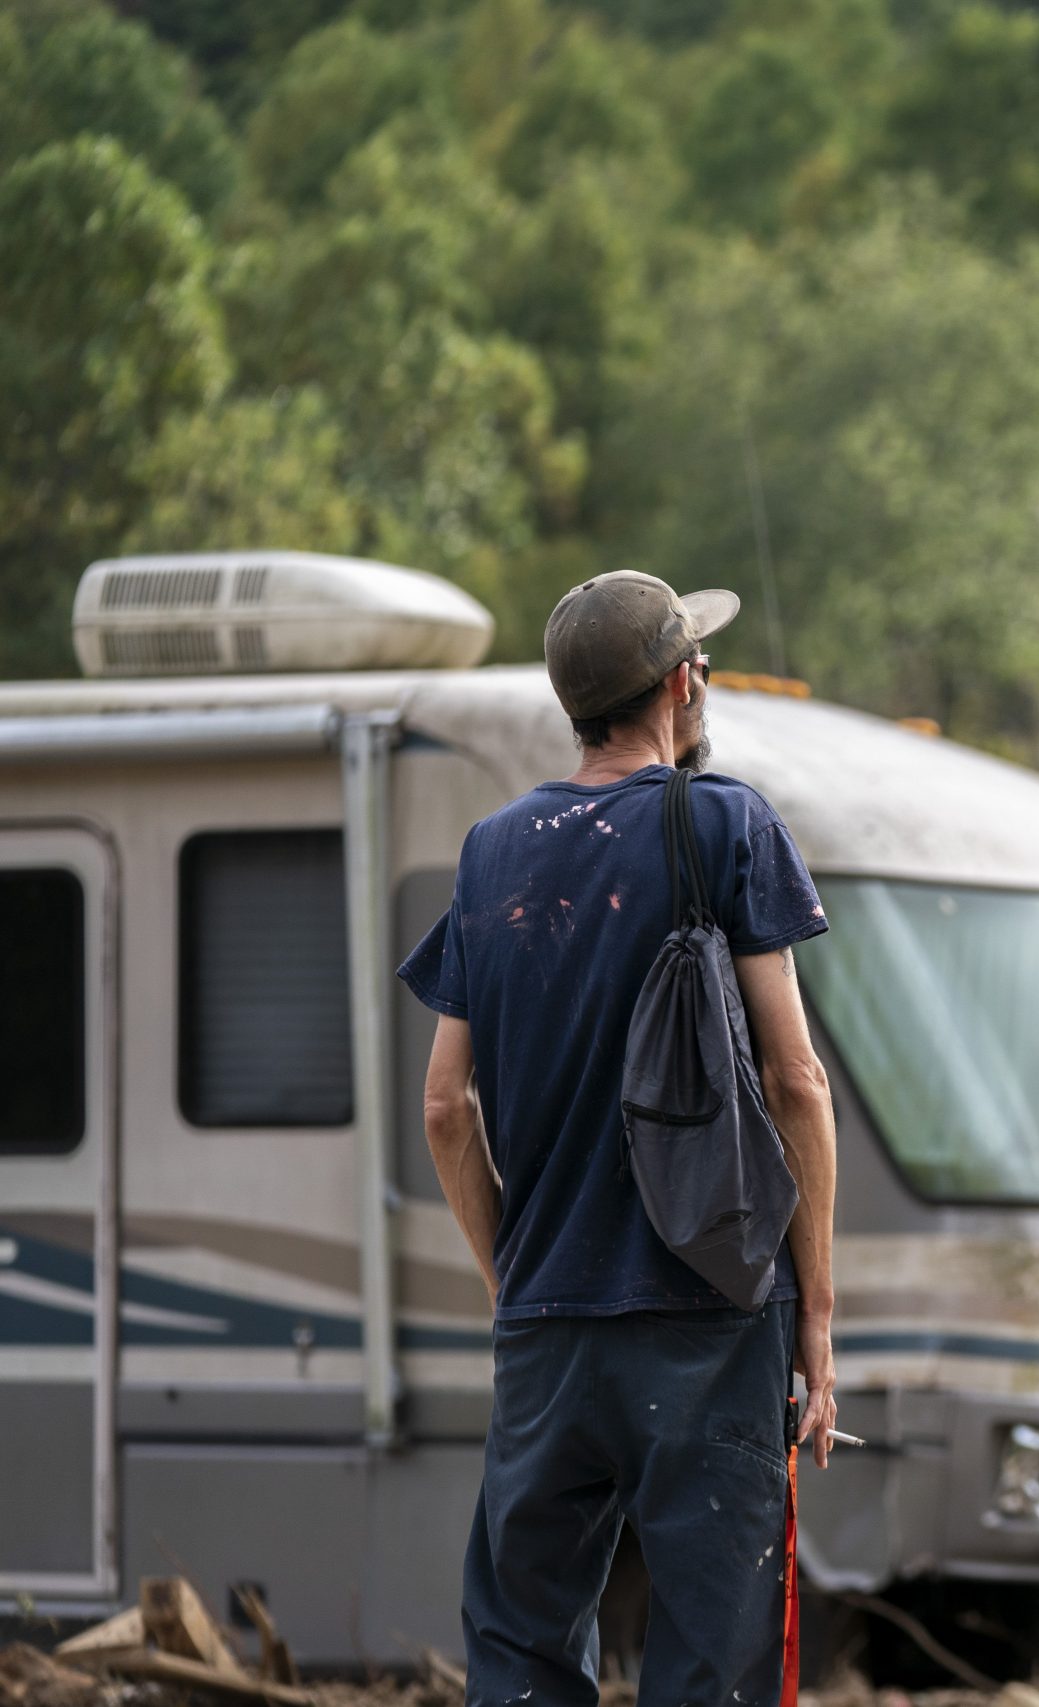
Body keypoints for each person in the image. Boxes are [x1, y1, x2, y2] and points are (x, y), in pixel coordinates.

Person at [398, 571, 840, 1707]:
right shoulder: (725, 822)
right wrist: (820, 1323)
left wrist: (516, 1281)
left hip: (547, 1327)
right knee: (713, 1661)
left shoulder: (492, 851)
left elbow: (446, 1105)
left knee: (523, 1651)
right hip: (708, 1322)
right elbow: (795, 1079)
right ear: (681, 685)